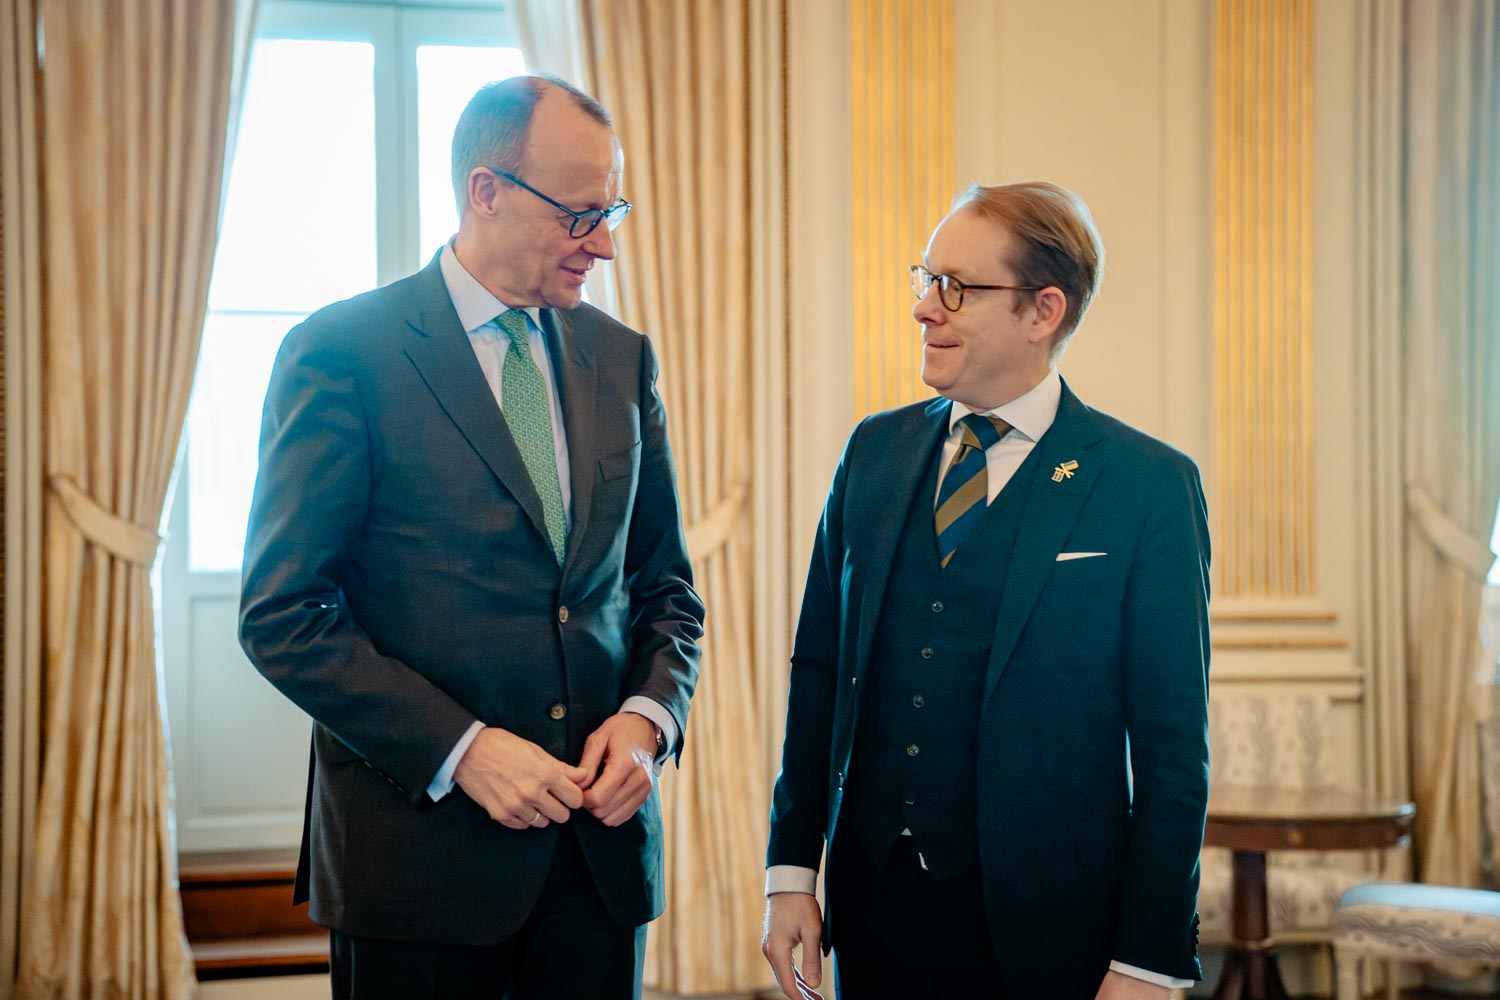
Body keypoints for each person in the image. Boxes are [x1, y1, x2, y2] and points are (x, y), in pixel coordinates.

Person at [239, 75, 704, 1000]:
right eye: (580, 215)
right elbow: (285, 613)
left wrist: (649, 723)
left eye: (611, 210)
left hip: (596, 870)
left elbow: (664, 589)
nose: (604, 244)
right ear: (485, 190)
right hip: (416, 868)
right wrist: (462, 749)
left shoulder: (622, 358)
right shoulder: (343, 352)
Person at [761, 182, 1210, 1000]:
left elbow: (1174, 752)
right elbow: (819, 672)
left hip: (1054, 929)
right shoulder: (873, 453)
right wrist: (792, 870)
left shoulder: (1146, 485)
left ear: (1044, 311)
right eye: (924, 279)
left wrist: (1149, 958)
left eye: (957, 288)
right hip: (877, 909)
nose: (925, 308)